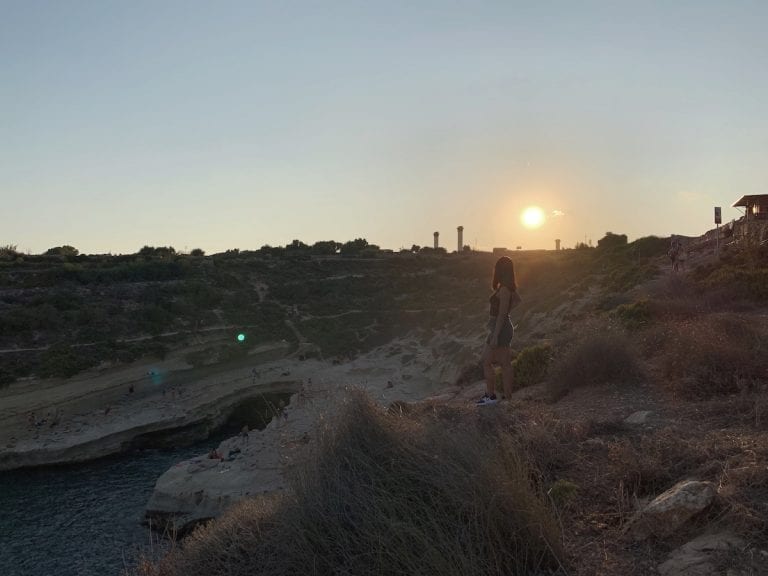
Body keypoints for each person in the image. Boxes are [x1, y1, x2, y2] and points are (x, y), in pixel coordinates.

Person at [478, 256, 521, 406]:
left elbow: (502, 314)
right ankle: (508, 398)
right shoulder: (508, 287)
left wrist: (495, 335)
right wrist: (508, 310)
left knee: (486, 362)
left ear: (499, 270)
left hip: (500, 327)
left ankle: (490, 397)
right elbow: (517, 300)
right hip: (502, 326)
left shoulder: (504, 289)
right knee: (505, 363)